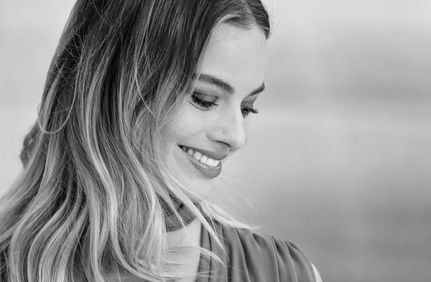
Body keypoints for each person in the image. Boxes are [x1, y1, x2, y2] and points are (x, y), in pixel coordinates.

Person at [0, 0, 322, 281]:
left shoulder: (284, 273)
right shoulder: (12, 266)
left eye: (247, 107)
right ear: (115, 89)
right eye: (204, 98)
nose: (236, 137)